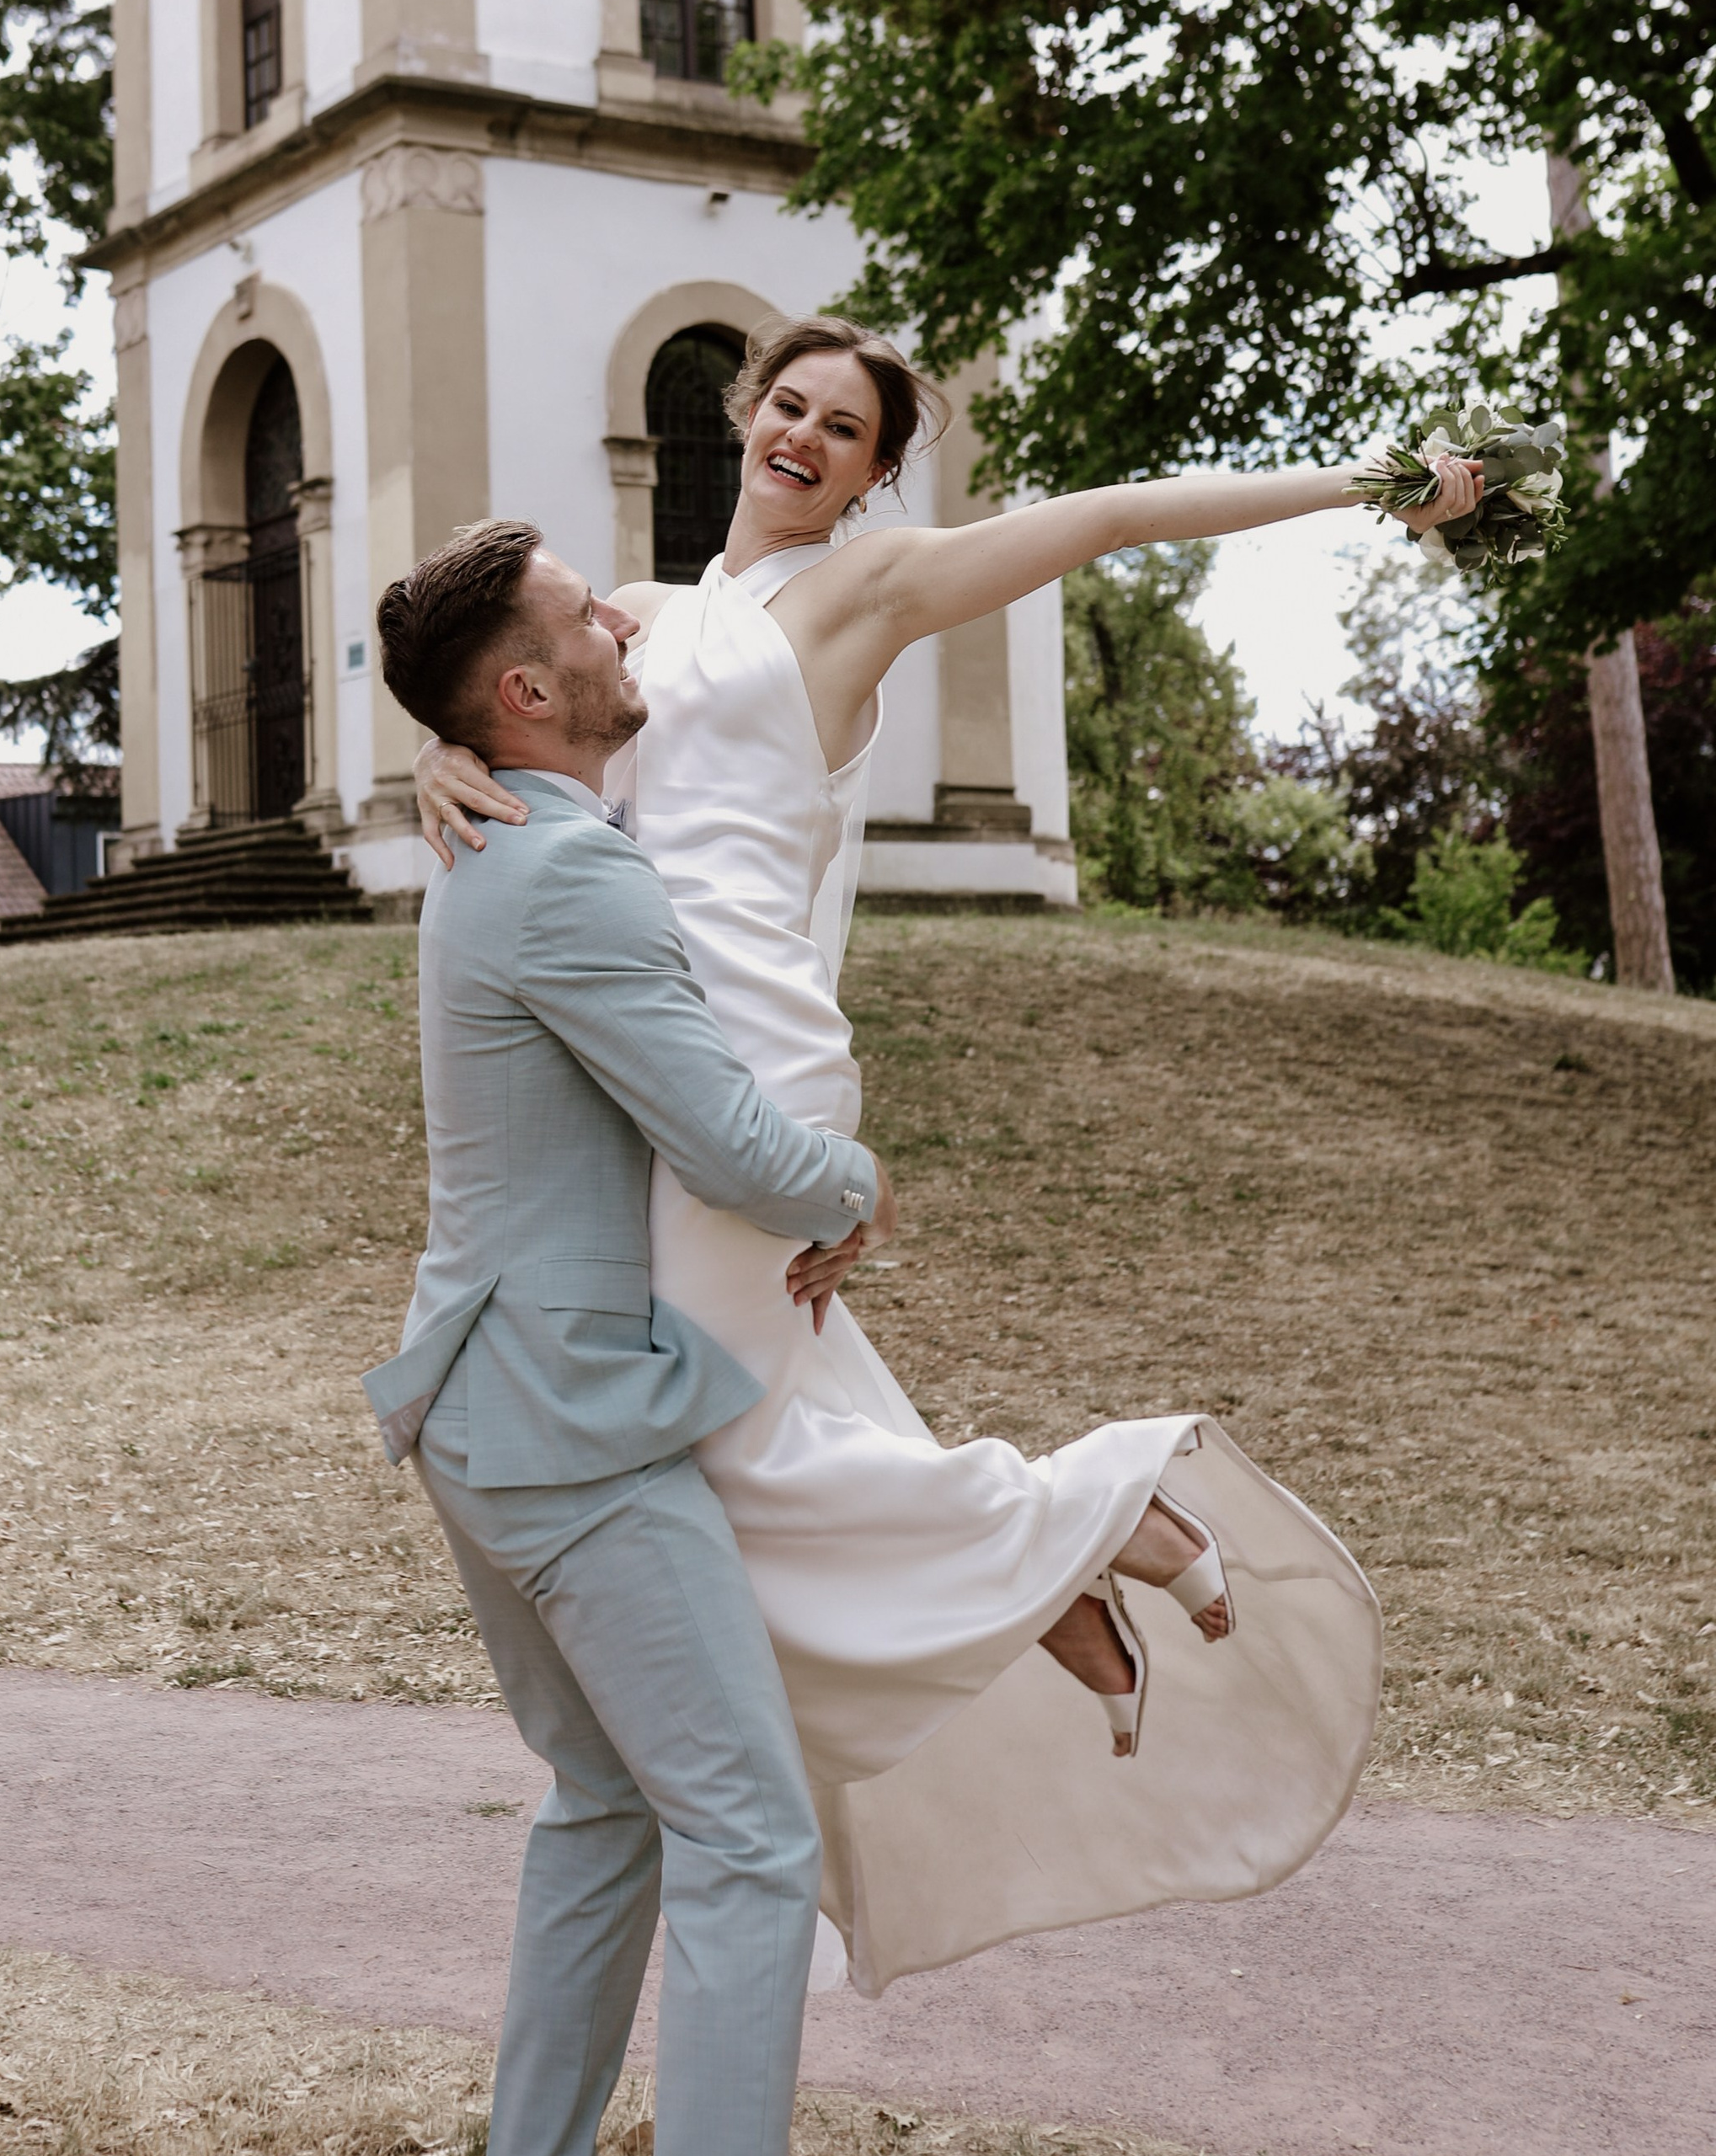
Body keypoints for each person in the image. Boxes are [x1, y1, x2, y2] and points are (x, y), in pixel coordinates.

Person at [412, 315, 1482, 1999]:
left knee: (721, 1453)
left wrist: (1362, 484)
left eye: (842, 428)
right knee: (748, 1448)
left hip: (742, 1075)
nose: (804, 439)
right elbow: (504, 687)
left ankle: (1097, 1508)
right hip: (647, 1072)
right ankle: (1051, 1590)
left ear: (871, 470)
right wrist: (442, 756)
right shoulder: (639, 615)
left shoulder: (870, 588)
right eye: (786, 405)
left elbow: (1115, 517)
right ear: (739, 414)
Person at [362, 516, 895, 2156]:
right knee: (745, 1836)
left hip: (476, 1400)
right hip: (566, 1420)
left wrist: (438, 753)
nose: (619, 617)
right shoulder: (568, 864)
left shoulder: (499, 837)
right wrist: (854, 1174)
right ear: (526, 689)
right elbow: (728, 1144)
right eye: (583, 615)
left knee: (607, 1805)